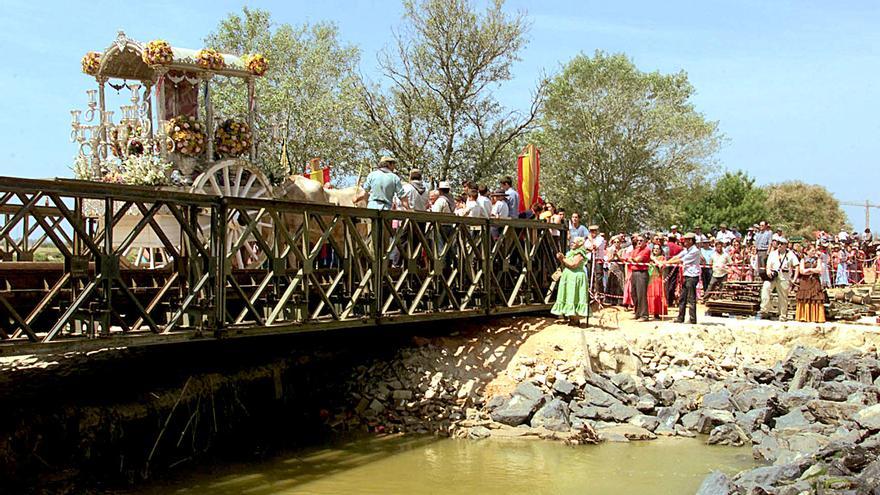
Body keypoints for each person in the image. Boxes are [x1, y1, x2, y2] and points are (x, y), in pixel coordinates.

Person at [551, 236, 590, 325]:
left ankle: (575, 319)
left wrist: (563, 259)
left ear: (579, 244)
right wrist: (562, 258)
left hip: (575, 278)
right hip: (569, 277)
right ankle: (571, 319)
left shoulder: (580, 253)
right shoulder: (571, 252)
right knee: (568, 297)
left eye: (574, 242)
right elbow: (567, 264)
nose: (571, 243)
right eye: (571, 242)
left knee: (574, 297)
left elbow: (573, 264)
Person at [664, 232, 701, 324]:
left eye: (686, 240)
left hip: (692, 276)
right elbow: (677, 256)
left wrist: (666, 263)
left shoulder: (695, 251)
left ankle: (692, 319)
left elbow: (681, 260)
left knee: (691, 298)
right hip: (686, 276)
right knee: (682, 298)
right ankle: (680, 317)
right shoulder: (687, 250)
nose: (684, 242)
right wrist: (666, 262)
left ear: (691, 241)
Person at [759, 238, 799, 321]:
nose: (779, 245)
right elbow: (768, 265)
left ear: (785, 245)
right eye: (778, 243)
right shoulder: (773, 254)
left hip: (784, 276)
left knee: (783, 296)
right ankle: (764, 310)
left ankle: (782, 315)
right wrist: (768, 271)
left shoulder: (790, 254)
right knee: (765, 289)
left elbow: (796, 265)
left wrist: (794, 278)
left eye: (782, 244)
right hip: (772, 276)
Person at [796, 244, 826, 323]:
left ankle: (815, 317)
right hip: (805, 282)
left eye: (815, 251)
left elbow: (819, 270)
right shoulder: (803, 260)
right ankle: (805, 316)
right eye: (812, 251)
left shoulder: (818, 260)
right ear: (807, 251)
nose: (814, 252)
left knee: (815, 298)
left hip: (815, 281)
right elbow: (802, 271)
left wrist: (809, 270)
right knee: (805, 297)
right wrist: (812, 270)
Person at [629, 236, 651, 321]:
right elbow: (629, 258)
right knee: (634, 294)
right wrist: (632, 259)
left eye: (641, 240)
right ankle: (637, 312)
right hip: (634, 272)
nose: (639, 242)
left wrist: (633, 259)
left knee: (641, 294)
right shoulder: (635, 250)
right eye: (637, 240)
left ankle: (644, 315)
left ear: (645, 242)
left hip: (642, 273)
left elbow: (637, 260)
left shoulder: (647, 250)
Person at [646, 245, 668, 319]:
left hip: (658, 278)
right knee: (649, 294)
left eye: (657, 248)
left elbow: (661, 267)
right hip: (649, 278)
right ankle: (649, 311)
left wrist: (655, 260)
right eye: (654, 248)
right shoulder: (649, 258)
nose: (655, 250)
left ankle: (657, 312)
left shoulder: (662, 258)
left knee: (657, 295)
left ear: (660, 250)